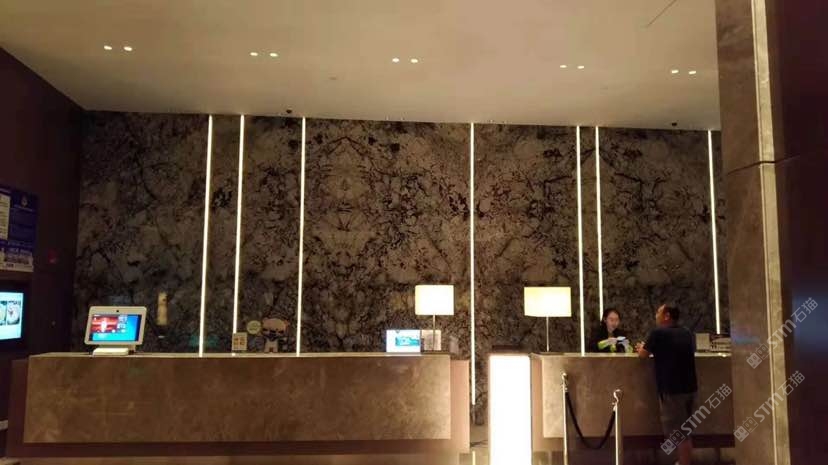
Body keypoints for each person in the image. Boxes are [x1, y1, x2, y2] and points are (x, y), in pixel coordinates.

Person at [636, 305, 698, 465]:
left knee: (679, 431)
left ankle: (684, 463)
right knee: (686, 429)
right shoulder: (686, 332)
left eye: (659, 312)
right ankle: (684, 461)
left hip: (672, 389)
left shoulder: (658, 333)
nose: (656, 314)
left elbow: (643, 354)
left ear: (667, 315)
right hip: (690, 388)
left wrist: (641, 348)